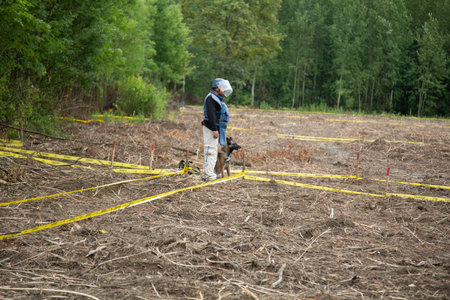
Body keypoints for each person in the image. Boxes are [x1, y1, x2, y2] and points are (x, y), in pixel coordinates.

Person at [201, 78, 233, 181]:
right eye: (223, 88)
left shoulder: (216, 98)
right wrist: (215, 129)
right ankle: (208, 174)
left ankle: (207, 174)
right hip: (210, 128)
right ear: (216, 88)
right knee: (210, 151)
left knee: (213, 151)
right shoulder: (211, 98)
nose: (224, 91)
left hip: (213, 128)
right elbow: (211, 115)